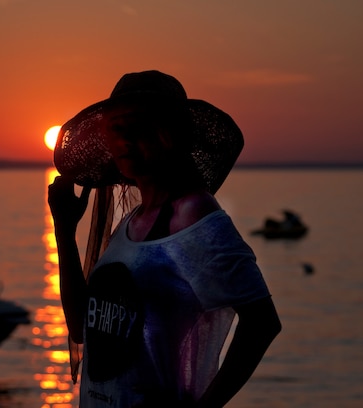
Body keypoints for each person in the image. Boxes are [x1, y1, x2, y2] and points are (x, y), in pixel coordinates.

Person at [48, 70, 281, 407]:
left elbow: (262, 323)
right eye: (117, 127)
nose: (126, 138)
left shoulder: (193, 217)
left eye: (140, 125)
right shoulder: (131, 224)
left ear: (171, 134)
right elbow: (81, 328)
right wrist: (64, 230)